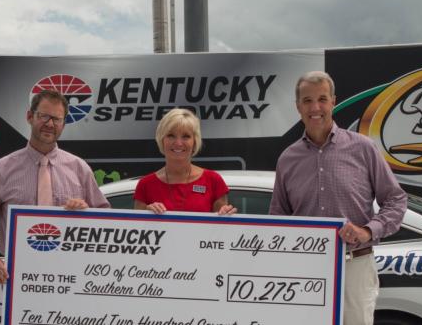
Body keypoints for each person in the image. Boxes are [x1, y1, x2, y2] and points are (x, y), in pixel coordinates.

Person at [269, 71, 407, 325]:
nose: (315, 107)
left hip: (354, 265)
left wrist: (368, 230)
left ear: (333, 101)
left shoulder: (363, 148)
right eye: (308, 100)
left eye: (322, 99)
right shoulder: (287, 159)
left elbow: (396, 200)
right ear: (298, 106)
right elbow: (278, 216)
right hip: (304, 269)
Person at [0, 90, 110, 284]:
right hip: (16, 276)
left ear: (63, 124)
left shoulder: (79, 168)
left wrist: (86, 213)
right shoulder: (2, 170)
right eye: (44, 116)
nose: (50, 124)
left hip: (70, 274)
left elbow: (106, 219)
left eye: (57, 119)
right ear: (30, 116)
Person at [133, 108, 236, 215]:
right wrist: (146, 215)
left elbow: (222, 228)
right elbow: (135, 227)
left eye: (186, 136)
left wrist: (226, 215)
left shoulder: (213, 181)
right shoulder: (145, 185)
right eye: (171, 135)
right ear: (161, 140)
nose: (178, 143)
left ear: (195, 142)